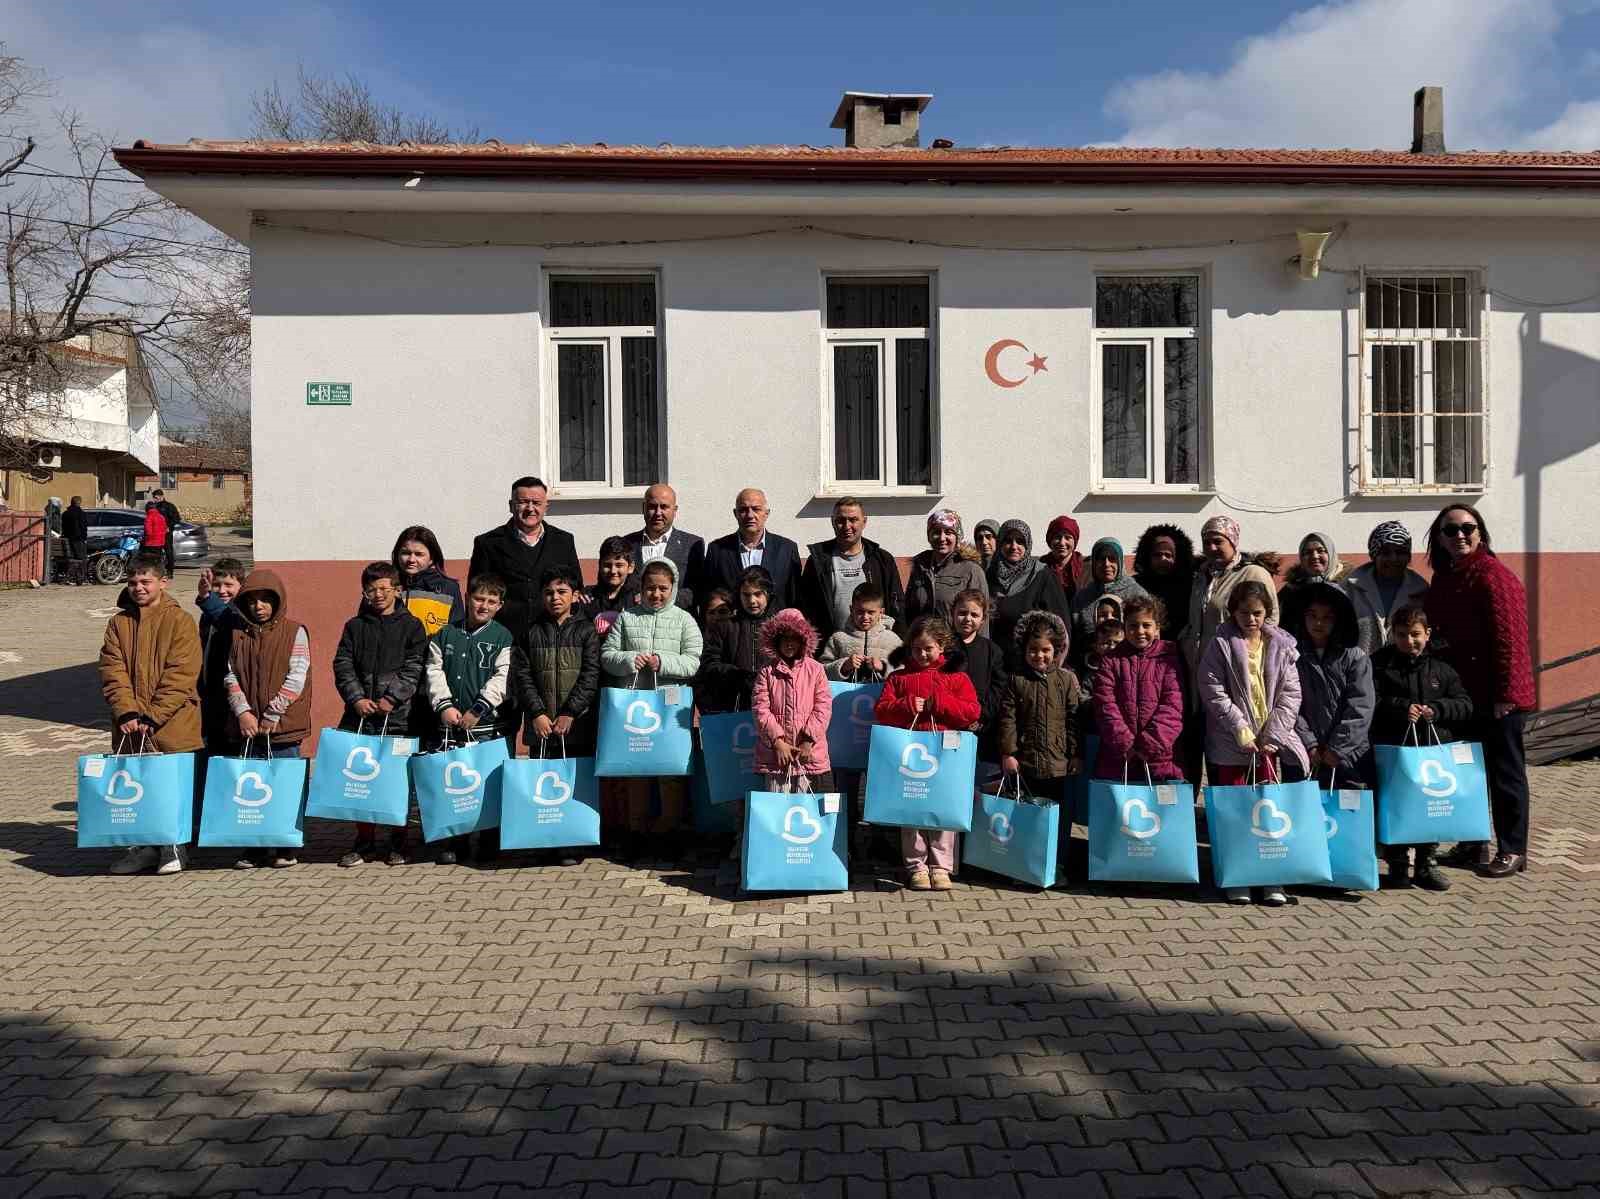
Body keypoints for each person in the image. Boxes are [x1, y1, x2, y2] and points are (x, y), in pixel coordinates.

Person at [1424, 504, 1536, 878]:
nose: (1460, 536)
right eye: (1450, 530)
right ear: (1439, 538)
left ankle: (1513, 849)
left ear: (1481, 533)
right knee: (1468, 773)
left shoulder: (1493, 576)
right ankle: (1473, 844)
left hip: (1497, 695)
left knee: (1505, 774)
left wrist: (1508, 695)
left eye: (1467, 528)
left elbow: (1512, 640)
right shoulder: (1446, 577)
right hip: (1462, 695)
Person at [1199, 580, 1308, 907]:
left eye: (1258, 613)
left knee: (1271, 811)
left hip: (1269, 746)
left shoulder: (1282, 645)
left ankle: (1273, 877)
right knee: (1237, 812)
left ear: (1267, 613)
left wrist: (1273, 735)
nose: (1251, 619)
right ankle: (1239, 877)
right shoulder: (1220, 645)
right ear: (1233, 611)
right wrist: (1240, 728)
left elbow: (1291, 693)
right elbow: (1212, 689)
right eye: (1244, 612)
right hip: (1232, 744)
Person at [98, 551, 203, 876]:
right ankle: (143, 848)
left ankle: (174, 847)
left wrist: (153, 715)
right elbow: (111, 669)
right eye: (133, 582)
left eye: (146, 581)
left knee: (169, 789)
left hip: (172, 723)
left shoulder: (180, 621)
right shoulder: (119, 623)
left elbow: (182, 674)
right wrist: (126, 710)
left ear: (163, 582)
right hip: (131, 726)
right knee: (139, 788)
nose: (139, 587)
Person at [599, 557, 703, 858]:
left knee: (670, 770)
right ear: (641, 588)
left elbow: (694, 660)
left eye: (662, 589)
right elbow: (607, 654)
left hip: (670, 708)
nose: (656, 594)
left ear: (673, 588)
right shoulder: (627, 617)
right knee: (637, 770)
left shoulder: (684, 619)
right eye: (650, 588)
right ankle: (637, 831)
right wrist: (630, 660)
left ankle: (669, 832)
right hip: (635, 706)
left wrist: (664, 662)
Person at [873, 615, 982, 892]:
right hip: (909, 756)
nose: (922, 654)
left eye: (928, 649)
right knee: (912, 810)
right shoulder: (898, 678)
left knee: (944, 810)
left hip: (946, 756)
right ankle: (916, 866)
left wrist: (941, 703)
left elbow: (972, 711)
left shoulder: (956, 678)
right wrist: (907, 704)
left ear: (942, 646)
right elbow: (881, 710)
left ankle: (941, 866)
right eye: (917, 649)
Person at [332, 562, 429, 868]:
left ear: (397, 590)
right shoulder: (354, 626)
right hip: (360, 716)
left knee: (395, 782)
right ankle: (364, 841)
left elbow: (415, 666)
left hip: (399, 718)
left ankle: (399, 840)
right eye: (371, 589)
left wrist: (392, 697)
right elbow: (342, 664)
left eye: (384, 588)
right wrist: (357, 698)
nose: (377, 595)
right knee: (361, 781)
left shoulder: (412, 626)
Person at [1370, 604, 1472, 892]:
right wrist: (1401, 708)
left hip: (1433, 754)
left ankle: (1426, 865)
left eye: (1415, 634)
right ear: (1392, 635)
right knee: (1398, 808)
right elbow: (1371, 701)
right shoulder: (1380, 665)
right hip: (1396, 752)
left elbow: (1465, 704)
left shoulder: (1442, 668)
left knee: (1430, 809)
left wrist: (1437, 710)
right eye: (1401, 635)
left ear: (1427, 634)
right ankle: (1398, 865)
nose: (1409, 641)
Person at [510, 566, 601, 869]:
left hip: (577, 724)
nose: (555, 598)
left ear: (576, 596)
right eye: (549, 592)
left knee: (574, 784)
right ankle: (544, 839)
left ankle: (571, 842)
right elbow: (522, 676)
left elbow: (590, 675)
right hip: (542, 725)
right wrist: (536, 713)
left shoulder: (586, 630)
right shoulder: (530, 631)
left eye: (562, 592)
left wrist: (570, 712)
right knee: (544, 783)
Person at [222, 569, 313, 870]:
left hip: (282, 727)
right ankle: (254, 845)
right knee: (251, 787)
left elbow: (297, 675)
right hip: (249, 728)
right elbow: (230, 674)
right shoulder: (236, 635)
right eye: (252, 600)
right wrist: (243, 712)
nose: (258, 606)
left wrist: (273, 712)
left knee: (285, 786)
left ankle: (286, 845)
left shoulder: (294, 631)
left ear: (277, 601)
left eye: (265, 600)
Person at [424, 572, 516, 866]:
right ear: (467, 599)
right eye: (479, 599)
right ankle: (458, 840)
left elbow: (503, 677)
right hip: (451, 723)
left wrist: (479, 709)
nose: (484, 605)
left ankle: (489, 840)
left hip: (486, 725)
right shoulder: (445, 634)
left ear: (500, 605)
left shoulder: (502, 636)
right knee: (457, 784)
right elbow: (433, 671)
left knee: (488, 783)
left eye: (491, 601)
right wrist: (444, 705)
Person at [1182, 515, 1281, 777]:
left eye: (1218, 541)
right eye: (1206, 542)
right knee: (1214, 748)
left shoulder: (1252, 573)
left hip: (1238, 673)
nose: (1211, 547)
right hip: (1200, 673)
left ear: (1233, 541)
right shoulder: (1201, 576)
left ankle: (1250, 808)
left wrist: (1247, 649)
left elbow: (1270, 619)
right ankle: (1218, 809)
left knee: (1241, 742)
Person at [751, 608, 835, 856]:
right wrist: (777, 741)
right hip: (776, 757)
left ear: (804, 640)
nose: (789, 644)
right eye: (784, 638)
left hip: (808, 754)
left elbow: (823, 706)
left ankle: (804, 857)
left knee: (805, 808)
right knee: (778, 809)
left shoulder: (816, 670)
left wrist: (809, 739)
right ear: (774, 640)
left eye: (794, 638)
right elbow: (760, 708)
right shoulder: (767, 672)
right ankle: (776, 858)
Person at [468, 477, 583, 641]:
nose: (530, 508)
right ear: (511, 505)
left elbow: (576, 586)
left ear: (546, 507)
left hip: (551, 638)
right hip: (505, 637)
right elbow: (477, 593)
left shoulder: (563, 541)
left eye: (536, 503)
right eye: (523, 502)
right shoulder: (488, 543)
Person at [1093, 595, 1185, 782]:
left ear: (1157, 627)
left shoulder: (1168, 658)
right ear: (1124, 627)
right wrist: (1124, 742)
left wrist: (1149, 744)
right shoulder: (1111, 660)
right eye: (1133, 626)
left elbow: (1173, 706)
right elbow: (1104, 704)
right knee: (1119, 810)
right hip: (1118, 757)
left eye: (1146, 625)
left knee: (1160, 810)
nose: (1140, 631)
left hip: (1160, 757)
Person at [1292, 582, 1374, 792]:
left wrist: (1337, 749)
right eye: (1312, 615)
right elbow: (1291, 704)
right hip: (1309, 754)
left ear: (1339, 620)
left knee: (1352, 814)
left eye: (1327, 617)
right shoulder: (1293, 656)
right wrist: (1310, 744)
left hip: (1350, 755)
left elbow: (1360, 707)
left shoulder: (1354, 657)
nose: (1318, 622)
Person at [997, 610, 1081, 809]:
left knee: (1057, 814)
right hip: (1026, 763)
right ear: (1024, 650)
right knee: (1027, 811)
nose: (1039, 655)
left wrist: (1077, 754)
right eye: (1033, 650)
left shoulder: (1066, 679)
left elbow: (1074, 720)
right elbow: (1007, 720)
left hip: (1059, 764)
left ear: (1056, 650)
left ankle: (1059, 841)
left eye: (1045, 650)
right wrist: (1008, 753)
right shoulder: (1017, 680)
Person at [799, 497, 905, 641]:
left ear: (864, 521)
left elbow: (897, 607)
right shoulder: (819, 560)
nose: (847, 526)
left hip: (875, 646)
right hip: (831, 646)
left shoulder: (881, 559)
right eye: (840, 520)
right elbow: (806, 608)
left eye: (853, 519)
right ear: (832, 522)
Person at [699, 488, 800, 615]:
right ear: (735, 514)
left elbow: (795, 599)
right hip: (732, 630)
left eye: (756, 509)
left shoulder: (786, 549)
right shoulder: (718, 550)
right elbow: (708, 596)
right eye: (743, 510)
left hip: (774, 629)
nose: (750, 515)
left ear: (766, 513)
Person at [986, 519, 1073, 661]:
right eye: (1008, 541)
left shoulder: (1042, 575)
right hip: (996, 663)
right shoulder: (990, 575)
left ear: (1028, 544)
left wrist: (1054, 664)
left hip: (1033, 664)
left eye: (1020, 541)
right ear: (1000, 543)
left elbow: (1061, 626)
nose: (1014, 546)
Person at [697, 566, 775, 713]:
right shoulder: (725, 626)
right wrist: (737, 675)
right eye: (746, 595)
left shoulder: (778, 626)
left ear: (768, 594)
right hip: (731, 703)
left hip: (771, 703)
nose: (752, 600)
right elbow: (709, 663)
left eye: (758, 594)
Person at [1344, 521, 1429, 657]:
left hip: (1404, 673)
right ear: (1374, 555)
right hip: (1359, 672)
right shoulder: (1350, 588)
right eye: (1386, 552)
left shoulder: (1421, 591)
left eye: (1400, 552)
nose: (1393, 558)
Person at [623, 484, 705, 612]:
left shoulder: (692, 544)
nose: (658, 513)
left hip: (676, 624)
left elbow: (698, 590)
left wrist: (663, 599)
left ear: (675, 510)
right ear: (643, 508)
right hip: (635, 621)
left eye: (664, 507)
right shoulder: (627, 543)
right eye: (652, 507)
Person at [195, 559, 248, 754]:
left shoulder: (242, 612)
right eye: (217, 585)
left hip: (233, 696)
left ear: (241, 586)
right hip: (210, 693)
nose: (222, 590)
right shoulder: (208, 616)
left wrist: (206, 597)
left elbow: (227, 619)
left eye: (229, 585)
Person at [951, 590, 1008, 768]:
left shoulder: (993, 651)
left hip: (982, 728)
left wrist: (981, 717)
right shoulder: (943, 646)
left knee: (978, 777)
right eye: (962, 613)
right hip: (949, 726)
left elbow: (998, 688)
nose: (968, 618)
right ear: (952, 614)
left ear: (983, 619)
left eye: (974, 614)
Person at [904, 509, 987, 626]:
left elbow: (981, 616)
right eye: (936, 532)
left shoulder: (971, 570)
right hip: (925, 642)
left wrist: (978, 644)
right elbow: (909, 611)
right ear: (929, 536)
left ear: (957, 537)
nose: (942, 538)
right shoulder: (920, 567)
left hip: (956, 642)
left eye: (948, 532)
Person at [1071, 538, 1150, 652]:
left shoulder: (1137, 594)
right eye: (1101, 559)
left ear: (1120, 562)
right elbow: (1075, 636)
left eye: (1112, 559)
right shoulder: (1082, 598)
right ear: (1094, 563)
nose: (1106, 564)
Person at [819, 581, 901, 682]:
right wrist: (843, 666)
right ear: (851, 609)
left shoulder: (892, 639)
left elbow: (905, 670)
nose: (865, 617)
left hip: (883, 697)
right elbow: (821, 672)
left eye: (871, 612)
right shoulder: (838, 638)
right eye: (860, 612)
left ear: (881, 612)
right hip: (846, 697)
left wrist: (883, 667)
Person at [393, 526, 464, 639]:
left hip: (433, 655)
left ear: (432, 558)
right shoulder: (386, 585)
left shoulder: (448, 588)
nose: (411, 560)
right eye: (405, 553)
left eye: (419, 554)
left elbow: (457, 632)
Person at [1132, 524, 1197, 640]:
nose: (1163, 559)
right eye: (1157, 555)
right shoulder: (1136, 585)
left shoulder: (1192, 585)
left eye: (1168, 555)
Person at [1279, 532, 1349, 636]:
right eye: (1308, 552)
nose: (1315, 556)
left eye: (1321, 551)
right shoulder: (1290, 590)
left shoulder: (1349, 586)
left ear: (1331, 554)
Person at [587, 536, 638, 636]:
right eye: (607, 565)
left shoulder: (638, 598)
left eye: (619, 565)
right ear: (600, 565)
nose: (613, 571)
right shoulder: (588, 597)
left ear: (630, 567)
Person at [1042, 515, 1088, 596]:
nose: (1062, 543)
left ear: (1075, 541)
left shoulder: (1086, 568)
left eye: (1068, 537)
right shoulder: (1039, 567)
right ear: (1050, 540)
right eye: (1057, 537)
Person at [151, 488, 180, 576]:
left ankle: (170, 571)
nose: (155, 500)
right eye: (154, 498)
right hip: (156, 534)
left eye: (156, 498)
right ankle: (158, 571)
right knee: (156, 553)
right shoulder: (154, 507)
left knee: (168, 552)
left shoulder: (169, 506)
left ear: (161, 496)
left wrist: (169, 527)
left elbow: (176, 518)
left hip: (166, 533)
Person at [61, 496, 89, 585]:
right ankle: (81, 578)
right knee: (82, 559)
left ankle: (70, 577)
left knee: (73, 558)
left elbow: (64, 528)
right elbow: (83, 527)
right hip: (78, 540)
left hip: (67, 540)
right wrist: (84, 538)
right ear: (79, 503)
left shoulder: (65, 514)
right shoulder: (81, 514)